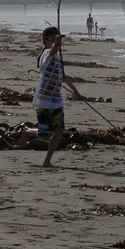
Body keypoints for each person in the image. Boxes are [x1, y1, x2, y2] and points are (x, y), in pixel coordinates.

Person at [35, 26, 85, 168]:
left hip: (56, 101)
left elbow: (63, 76)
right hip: (44, 99)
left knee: (59, 129)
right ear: (45, 41)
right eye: (53, 38)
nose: (57, 41)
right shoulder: (46, 54)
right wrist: (56, 44)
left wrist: (76, 92)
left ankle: (47, 161)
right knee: (44, 133)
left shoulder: (58, 56)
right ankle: (27, 133)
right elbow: (52, 51)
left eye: (58, 39)